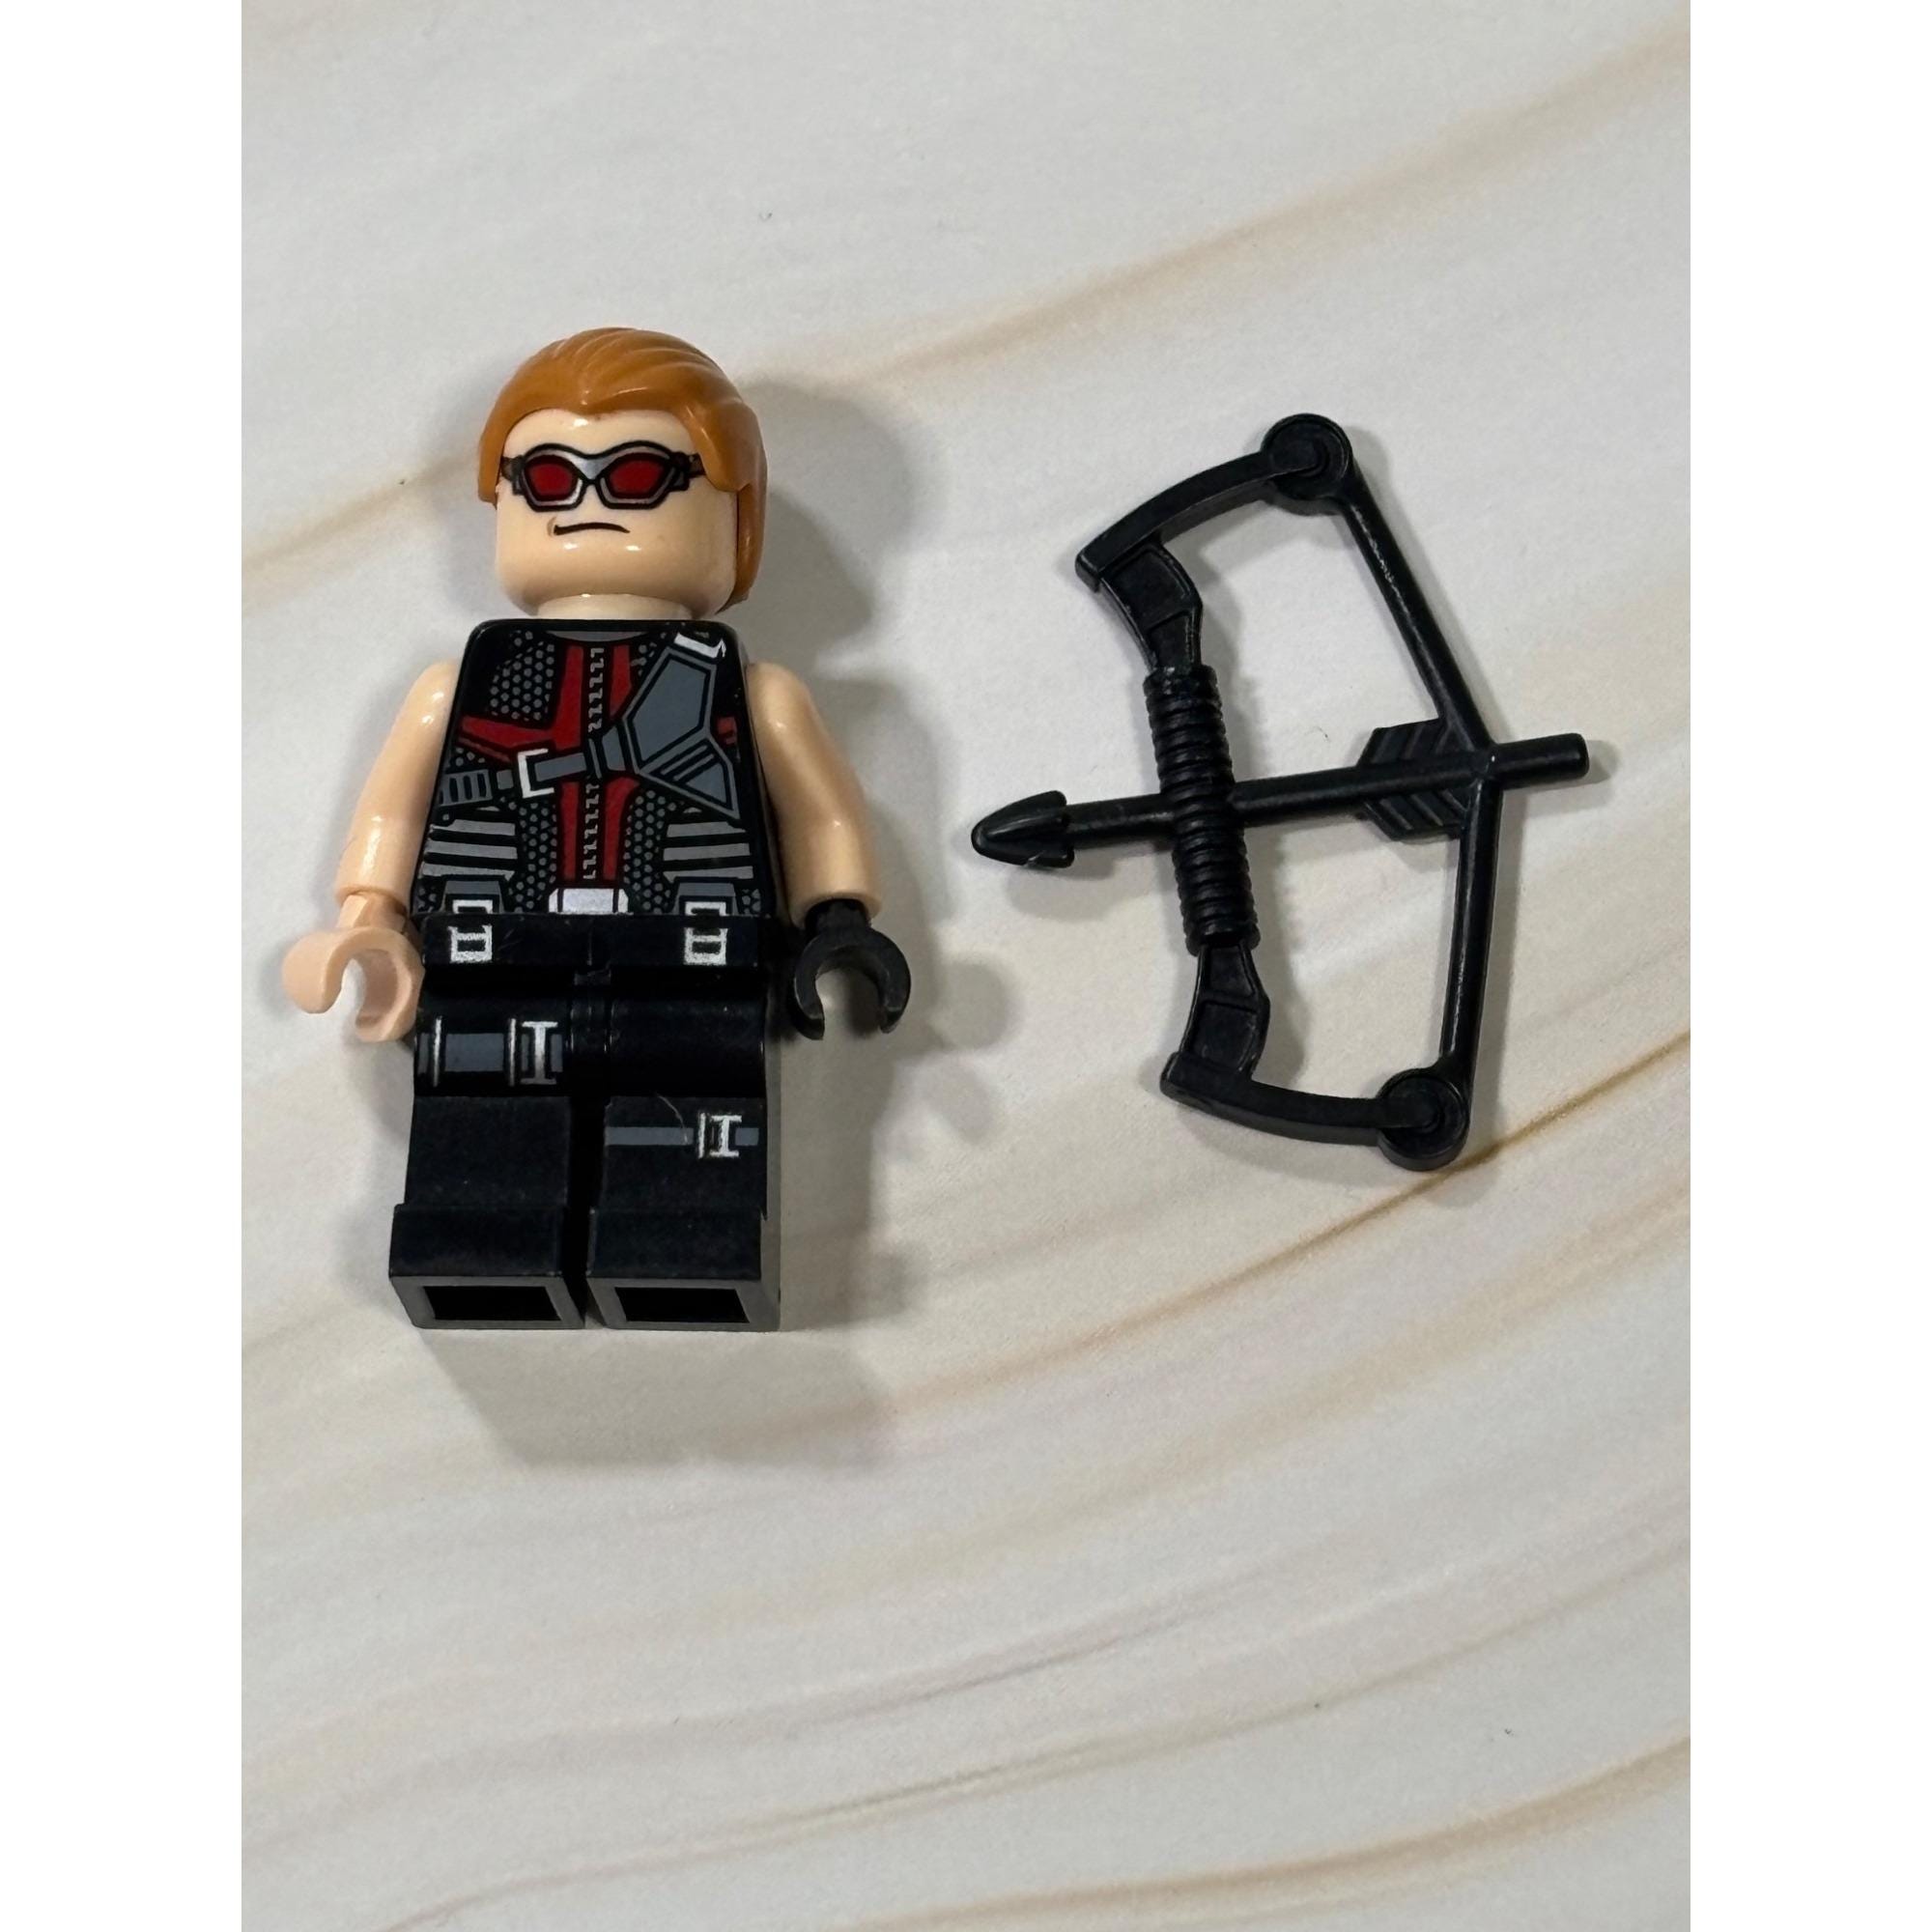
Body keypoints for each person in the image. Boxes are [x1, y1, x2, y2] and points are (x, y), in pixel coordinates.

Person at [284, 328, 909, 1329]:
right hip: (491, 949)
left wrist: (837, 918)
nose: (584, 501)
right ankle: (486, 1253)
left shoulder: (752, 693)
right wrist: (369, 917)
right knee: (482, 1119)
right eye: (543, 476)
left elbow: (822, 812)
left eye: (637, 474)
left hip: (692, 953)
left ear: (733, 514)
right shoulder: (458, 687)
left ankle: (682, 1250)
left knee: (693, 1118)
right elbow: (395, 809)